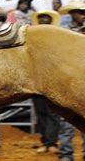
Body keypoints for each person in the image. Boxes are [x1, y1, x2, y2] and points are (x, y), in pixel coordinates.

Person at [58, 1, 85, 161]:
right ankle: (66, 154)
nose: (84, 15)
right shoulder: (62, 34)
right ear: (72, 13)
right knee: (67, 122)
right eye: (80, 12)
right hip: (66, 81)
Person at [30, 10, 60, 153]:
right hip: (36, 80)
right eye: (41, 18)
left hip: (52, 80)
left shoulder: (56, 38)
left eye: (46, 18)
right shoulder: (32, 38)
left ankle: (52, 142)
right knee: (41, 112)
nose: (43, 20)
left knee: (53, 113)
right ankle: (46, 141)